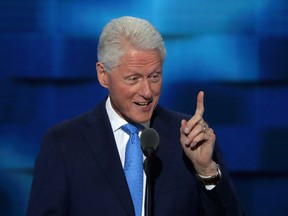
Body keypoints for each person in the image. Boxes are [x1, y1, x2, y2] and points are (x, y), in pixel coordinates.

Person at [26, 16, 245, 216]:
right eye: (133, 79)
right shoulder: (64, 144)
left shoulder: (190, 137)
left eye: (154, 76)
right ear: (103, 75)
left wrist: (206, 171)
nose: (147, 92)